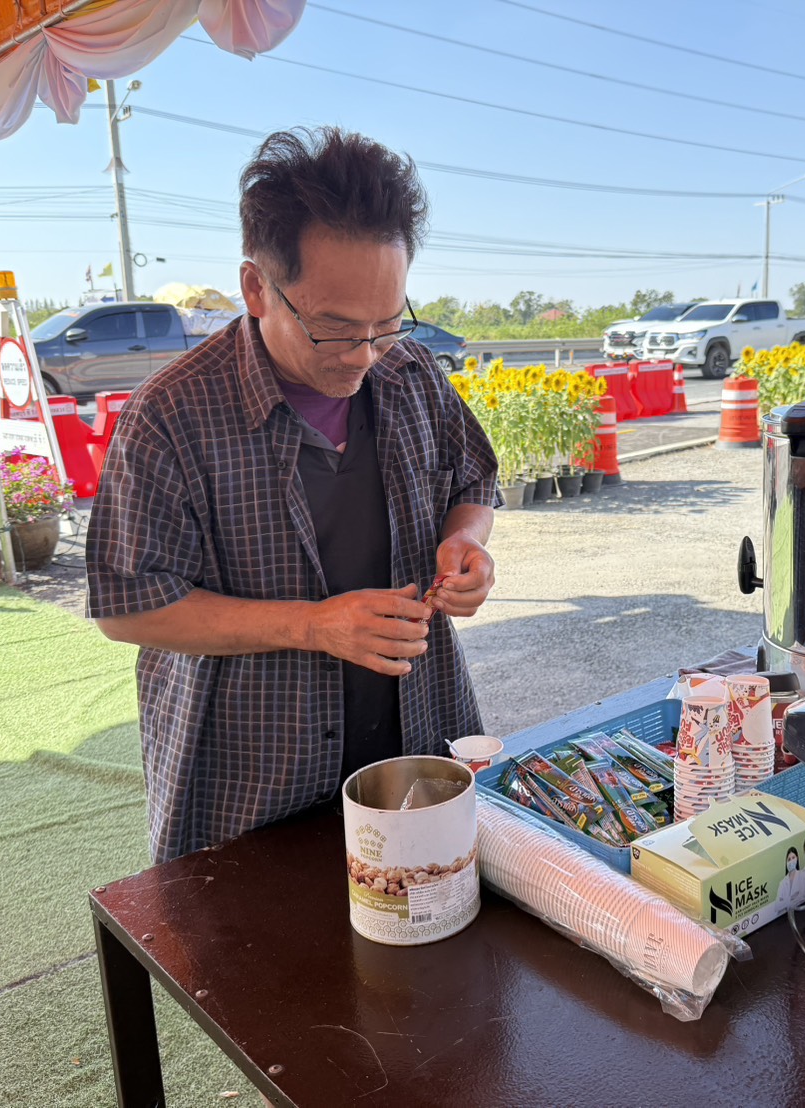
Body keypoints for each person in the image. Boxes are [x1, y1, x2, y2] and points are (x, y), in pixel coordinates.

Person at [85, 127, 500, 864]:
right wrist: (314, 626)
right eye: (333, 329)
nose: (364, 356)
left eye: (386, 324)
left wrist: (466, 542)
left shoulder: (410, 374)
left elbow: (473, 480)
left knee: (434, 905)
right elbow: (130, 607)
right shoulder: (172, 415)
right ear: (256, 289)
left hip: (419, 722)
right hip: (252, 771)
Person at [776, 845, 805, 912]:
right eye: (789, 859)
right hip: (785, 915)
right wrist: (791, 898)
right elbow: (777, 906)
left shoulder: (802, 875)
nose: (791, 861)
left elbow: (803, 897)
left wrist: (784, 901)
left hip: (800, 911)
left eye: (793, 858)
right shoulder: (782, 883)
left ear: (797, 858)